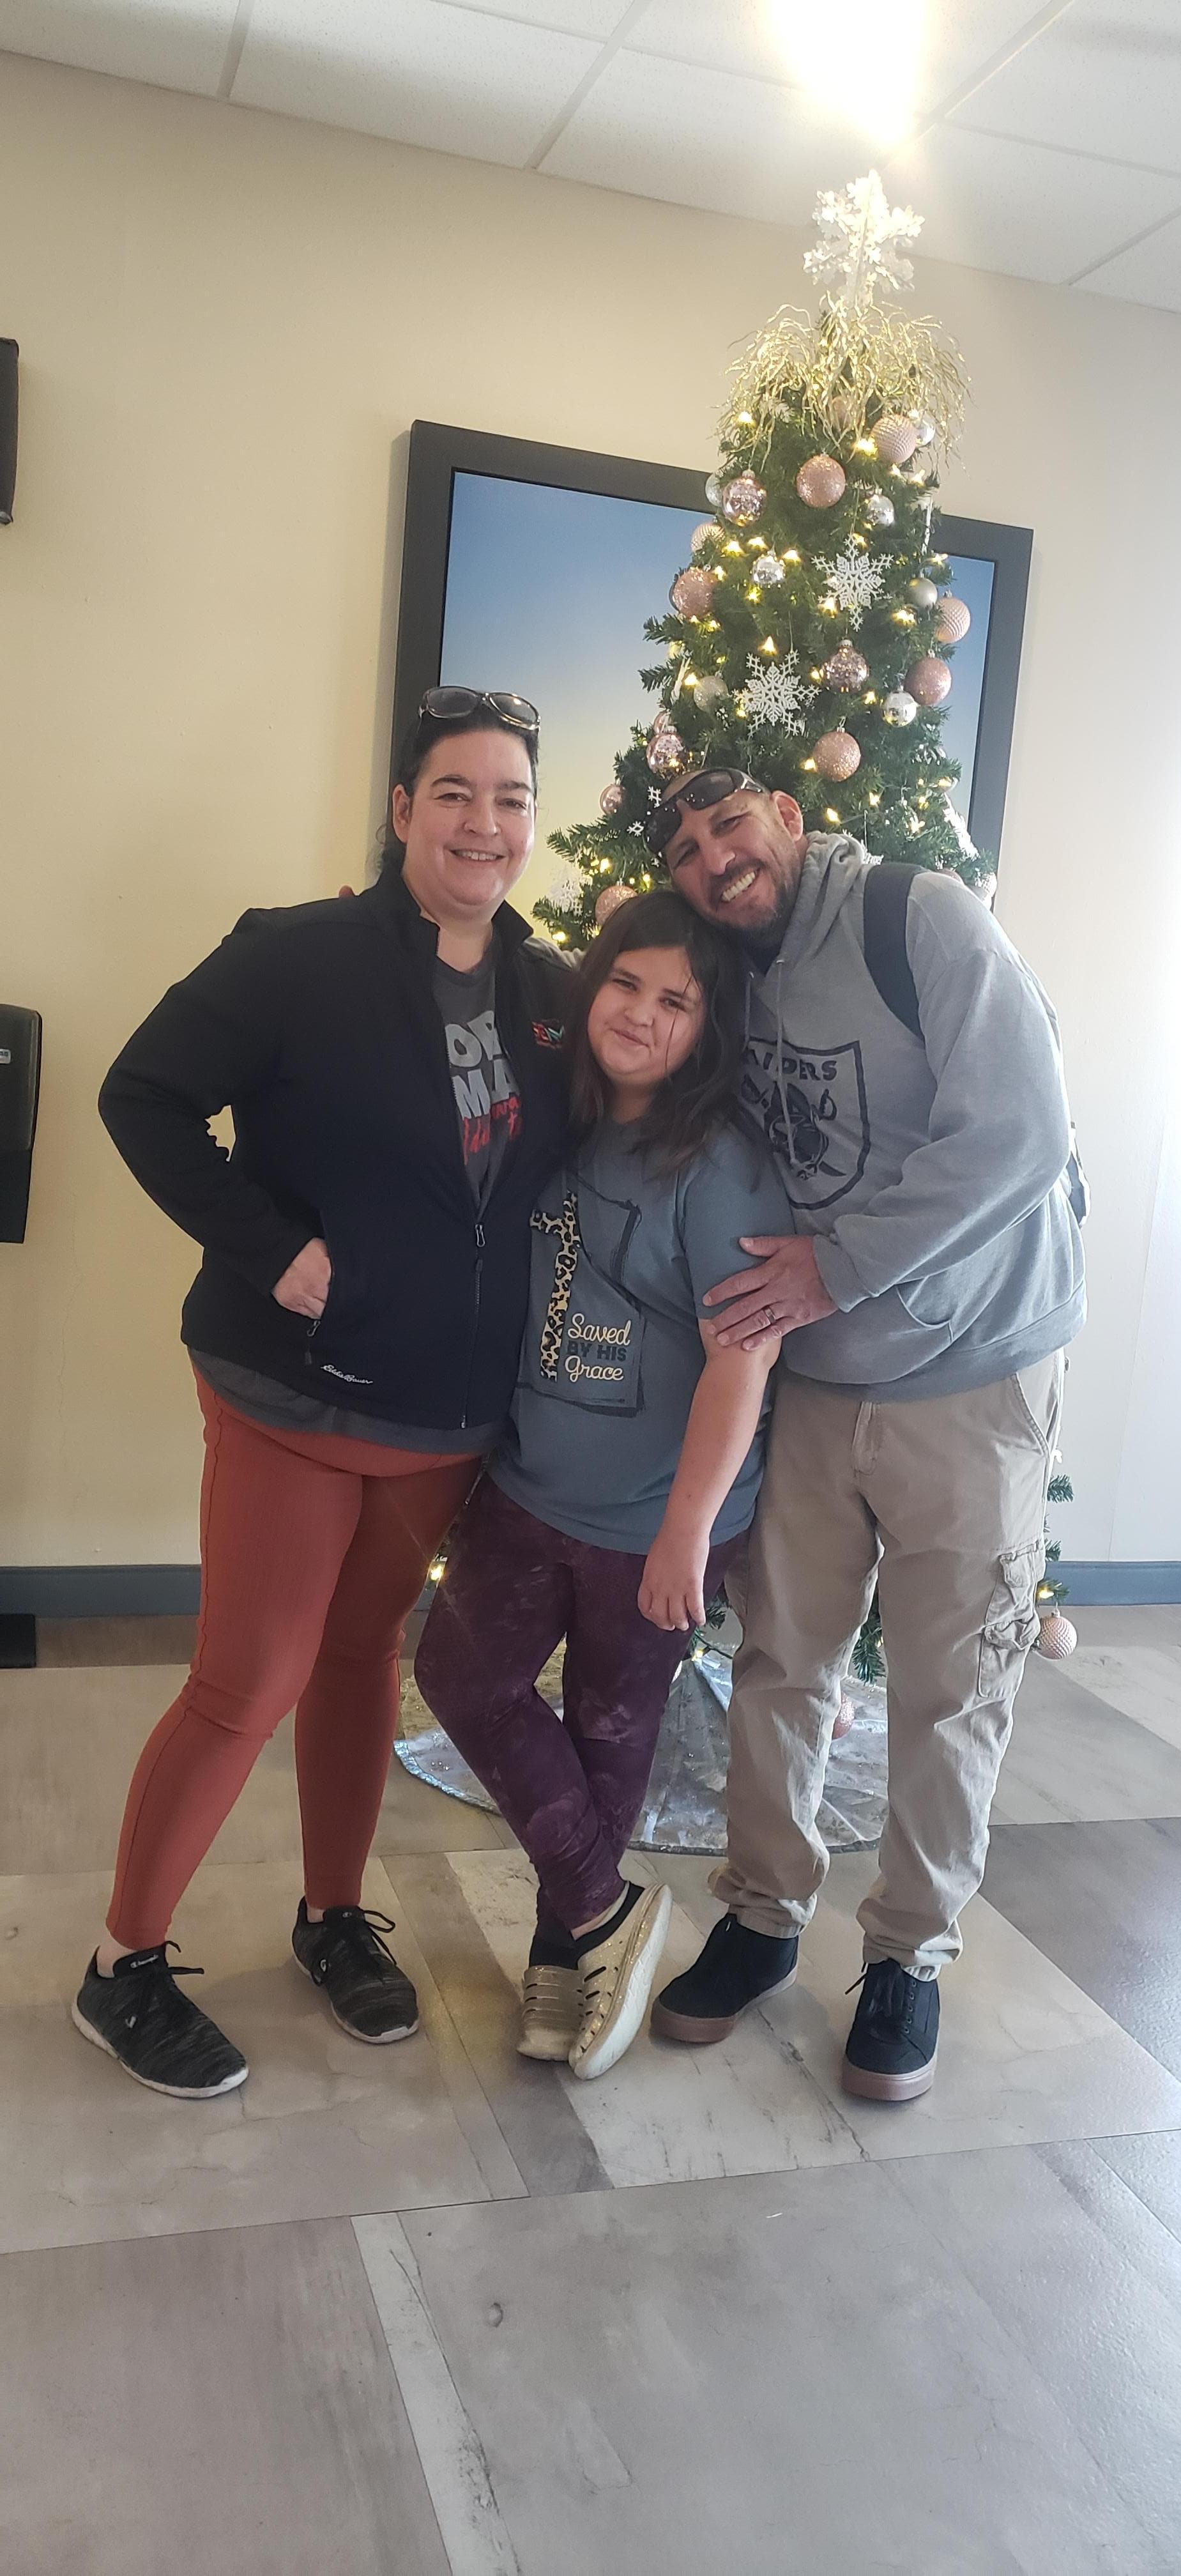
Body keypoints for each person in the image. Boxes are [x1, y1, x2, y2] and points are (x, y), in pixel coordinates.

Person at [74, 687, 572, 2099]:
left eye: (512, 799)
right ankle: (123, 1965)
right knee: (248, 1680)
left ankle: (331, 1916)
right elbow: (142, 1094)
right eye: (457, 792)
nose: (487, 822)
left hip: (444, 1414)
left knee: (363, 1663)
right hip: (286, 1391)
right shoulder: (294, 954)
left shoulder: (552, 995)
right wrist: (270, 1245)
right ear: (404, 809)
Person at [644, 768, 1085, 2102]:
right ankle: (763, 1914)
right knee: (781, 1659)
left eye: (728, 826)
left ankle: (906, 1955)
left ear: (783, 813)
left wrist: (837, 1267)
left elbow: (1020, 1129)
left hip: (974, 1368)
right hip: (818, 1378)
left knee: (953, 1684)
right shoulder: (723, 971)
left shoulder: (920, 918)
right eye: (683, 849)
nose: (714, 859)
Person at [415, 889, 793, 2081]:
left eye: (675, 1002)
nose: (640, 1014)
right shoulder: (558, 1125)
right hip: (529, 1488)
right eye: (625, 983)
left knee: (608, 1738)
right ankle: (605, 1912)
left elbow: (747, 1352)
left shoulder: (721, 1165)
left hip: (652, 1524)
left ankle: (562, 1950)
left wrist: (687, 1532)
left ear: (705, 1031)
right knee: (458, 1674)